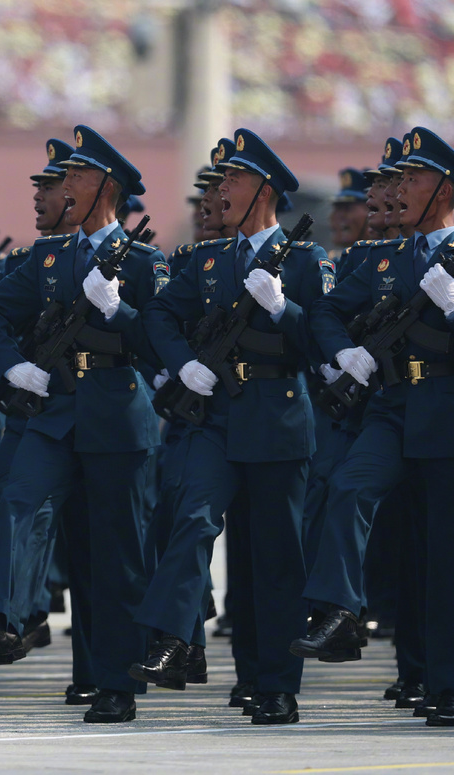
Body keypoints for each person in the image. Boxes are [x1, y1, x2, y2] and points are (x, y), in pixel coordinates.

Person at [292, 127, 454, 728]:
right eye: (398, 179)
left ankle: (451, 688)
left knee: (449, 558)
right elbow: (327, 310)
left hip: (450, 410)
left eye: (414, 179)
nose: (400, 189)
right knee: (349, 487)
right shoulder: (384, 258)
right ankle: (338, 611)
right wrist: (343, 352)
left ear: (445, 191)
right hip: (390, 405)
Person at [132, 129, 330, 726]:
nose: (220, 191)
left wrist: (282, 308)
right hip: (215, 416)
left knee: (271, 559)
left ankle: (271, 683)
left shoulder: (305, 261)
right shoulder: (208, 260)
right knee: (192, 519)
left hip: (277, 416)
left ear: (264, 191)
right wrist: (183, 364)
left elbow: (323, 341)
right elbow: (159, 315)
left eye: (233, 181)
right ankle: (173, 638)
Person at [0, 125, 163, 723]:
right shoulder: (49, 257)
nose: (65, 184)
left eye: (78, 175)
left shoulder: (145, 261)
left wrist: (118, 310)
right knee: (15, 500)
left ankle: (115, 682)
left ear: (107, 187)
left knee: (113, 556)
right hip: (54, 412)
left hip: (115, 415)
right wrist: (14, 366)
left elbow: (160, 342)